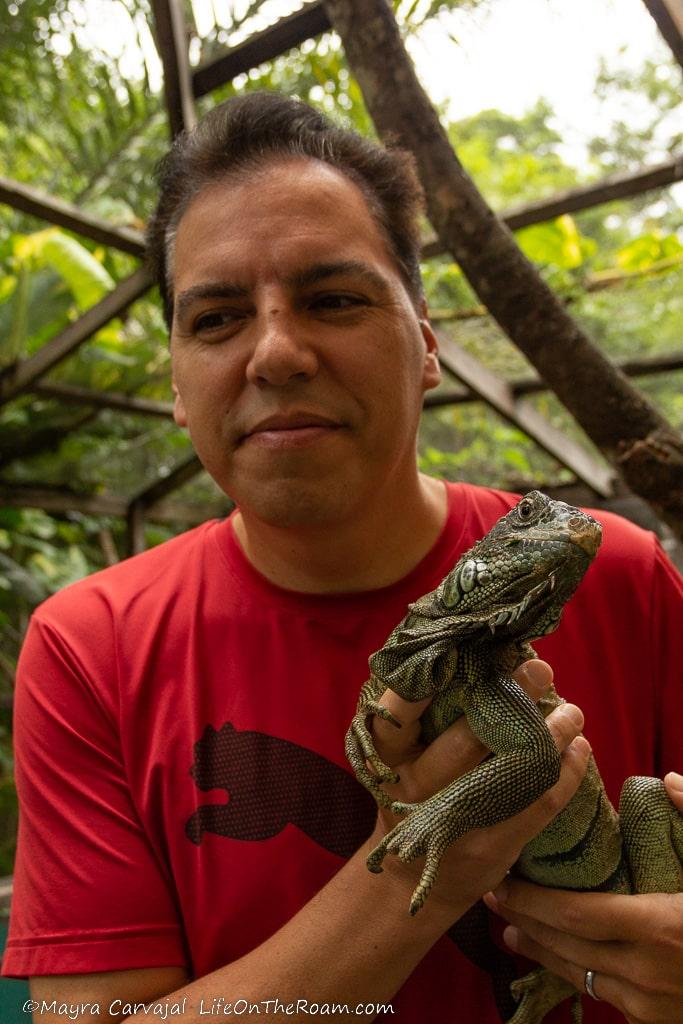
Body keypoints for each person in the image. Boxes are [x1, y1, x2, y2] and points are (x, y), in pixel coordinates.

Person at [2, 92, 682, 1024]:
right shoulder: (91, 647)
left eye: (333, 300)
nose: (276, 353)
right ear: (174, 381)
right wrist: (421, 861)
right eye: (215, 320)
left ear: (427, 343)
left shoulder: (624, 575)